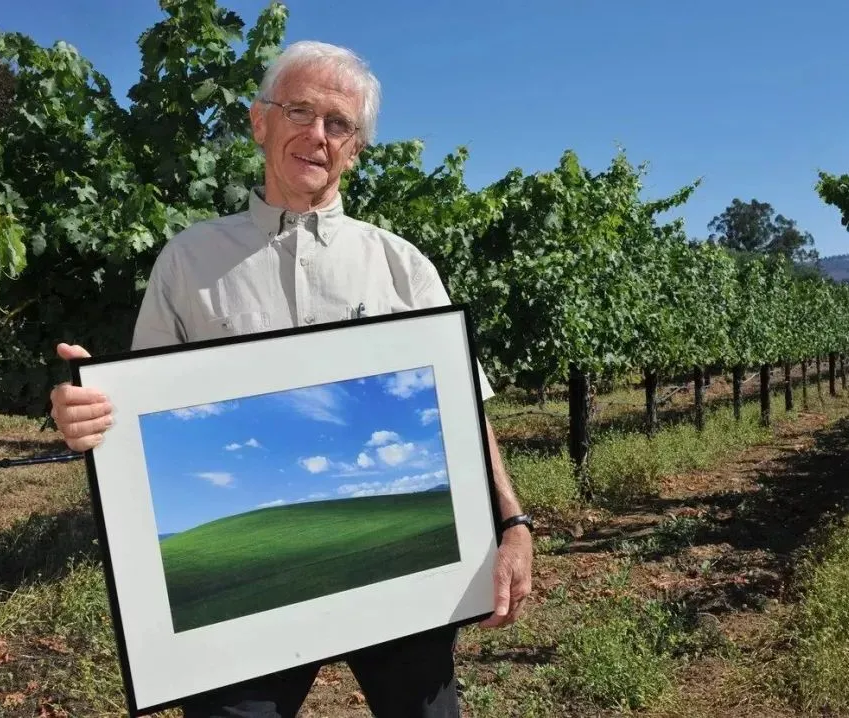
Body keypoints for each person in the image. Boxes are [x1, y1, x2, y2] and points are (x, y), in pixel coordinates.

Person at [48, 39, 533, 718]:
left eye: (339, 125)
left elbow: (465, 408)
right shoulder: (188, 262)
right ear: (258, 121)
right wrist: (89, 413)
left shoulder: (401, 266)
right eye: (299, 111)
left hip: (402, 588)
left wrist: (511, 521)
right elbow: (138, 419)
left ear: (356, 148)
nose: (317, 135)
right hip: (244, 622)